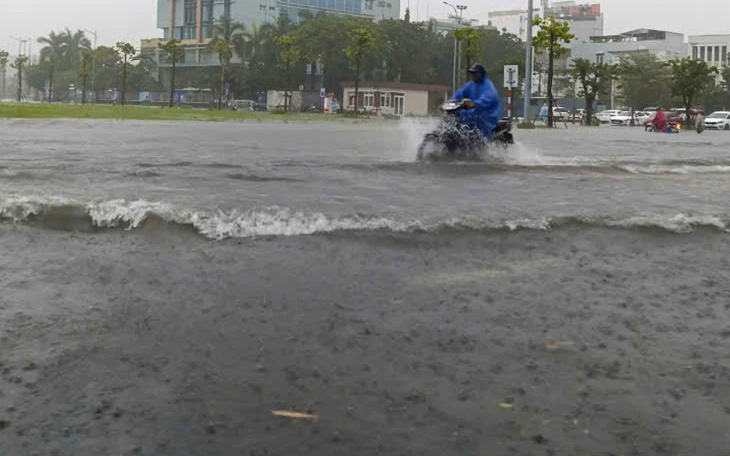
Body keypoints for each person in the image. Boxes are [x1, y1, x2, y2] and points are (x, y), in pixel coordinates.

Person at [450, 64, 502, 140]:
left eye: (475, 73)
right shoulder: (470, 85)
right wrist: (450, 102)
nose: (472, 75)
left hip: (486, 117)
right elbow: (459, 93)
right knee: (456, 117)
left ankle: (481, 144)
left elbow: (486, 98)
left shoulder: (488, 87)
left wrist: (473, 104)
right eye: (471, 73)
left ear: (481, 74)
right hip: (473, 113)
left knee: (471, 119)